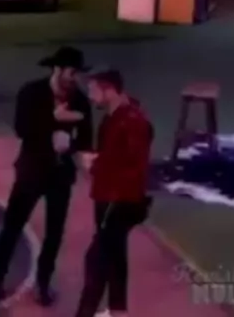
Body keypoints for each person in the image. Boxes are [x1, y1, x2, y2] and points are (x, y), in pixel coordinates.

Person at [0, 47, 92, 306]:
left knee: (54, 233)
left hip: (61, 175)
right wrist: (52, 121)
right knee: (12, 227)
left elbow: (86, 139)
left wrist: (72, 145)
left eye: (78, 74)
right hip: (31, 171)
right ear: (58, 69)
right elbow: (22, 129)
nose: (75, 79)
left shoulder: (80, 101)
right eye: (72, 73)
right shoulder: (31, 92)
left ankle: (43, 283)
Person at [74, 69, 153, 317]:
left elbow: (133, 166)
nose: (90, 96)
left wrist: (95, 165)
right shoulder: (114, 117)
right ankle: (118, 311)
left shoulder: (132, 122)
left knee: (96, 260)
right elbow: (117, 156)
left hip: (119, 201)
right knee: (115, 256)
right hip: (110, 196)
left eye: (93, 90)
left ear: (108, 89)